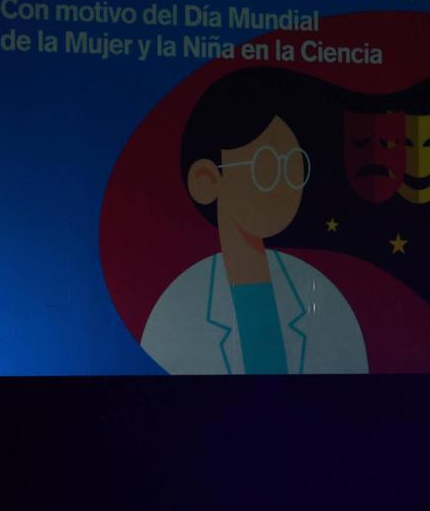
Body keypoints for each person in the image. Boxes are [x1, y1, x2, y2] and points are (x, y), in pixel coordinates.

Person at [141, 69, 367, 374]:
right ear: (207, 180)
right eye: (267, 166)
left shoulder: (323, 299)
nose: (287, 186)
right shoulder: (176, 307)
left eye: (294, 166)